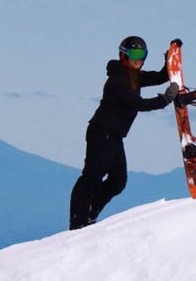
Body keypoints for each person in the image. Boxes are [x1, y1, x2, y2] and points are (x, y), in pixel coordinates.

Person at [69, 36, 181, 230]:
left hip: (114, 135)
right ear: (124, 55)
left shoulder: (133, 75)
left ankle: (91, 213)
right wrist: (166, 99)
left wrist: (170, 57)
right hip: (102, 132)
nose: (140, 59)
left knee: (118, 181)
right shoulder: (117, 80)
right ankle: (78, 222)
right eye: (136, 54)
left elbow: (160, 77)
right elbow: (139, 104)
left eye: (143, 55)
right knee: (92, 177)